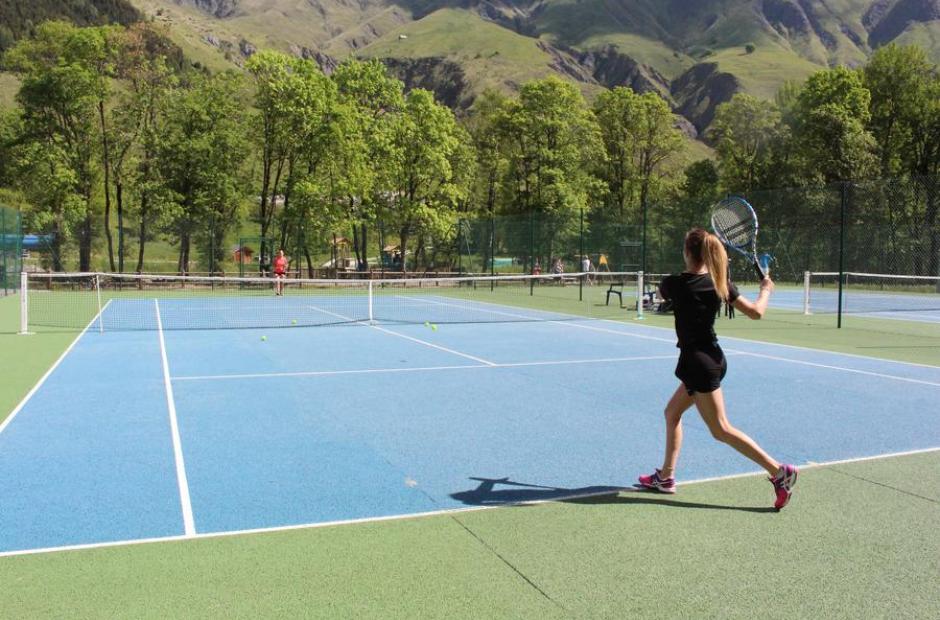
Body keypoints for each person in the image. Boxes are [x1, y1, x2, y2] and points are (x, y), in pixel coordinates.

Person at [637, 228, 798, 510]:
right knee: (672, 413)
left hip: (700, 365)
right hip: (710, 359)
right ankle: (666, 477)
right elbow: (756, 312)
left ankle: (779, 472)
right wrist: (765, 290)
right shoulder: (719, 283)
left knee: (721, 429)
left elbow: (661, 295)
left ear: (687, 252)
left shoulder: (673, 283)